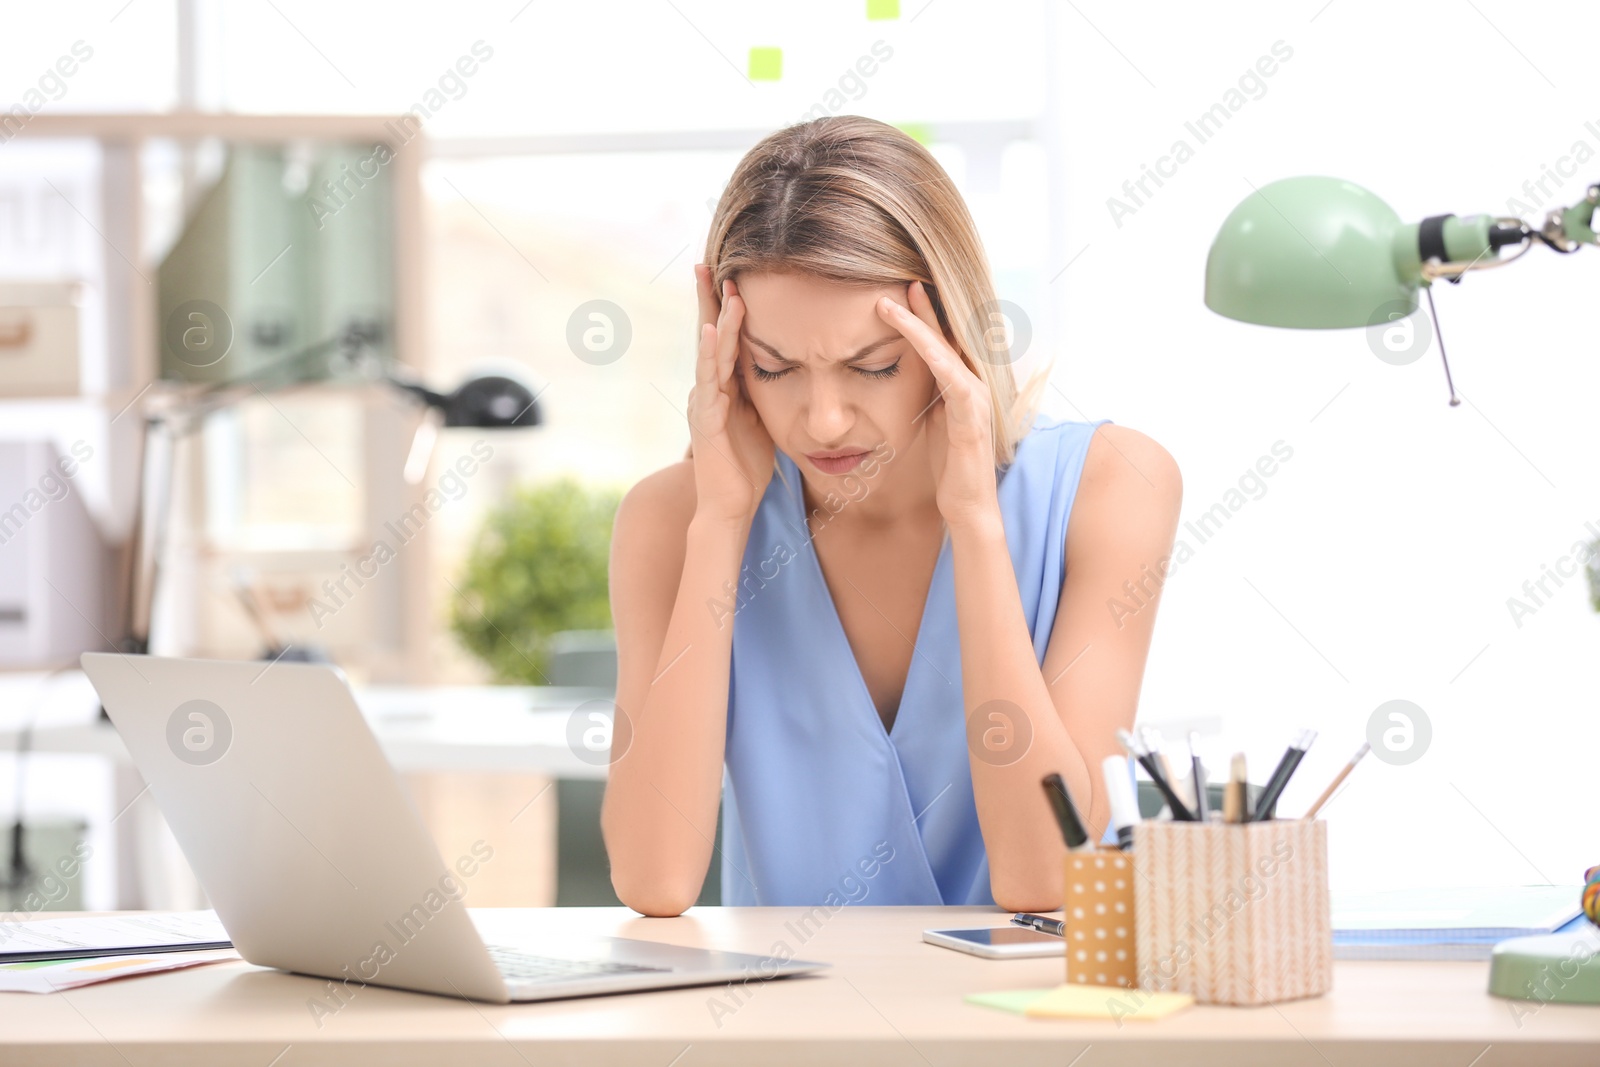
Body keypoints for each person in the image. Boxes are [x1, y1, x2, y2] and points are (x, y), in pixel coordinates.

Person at [602, 115, 1181, 916]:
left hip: (1034, 1030)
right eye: (774, 369)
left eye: (872, 367)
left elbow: (1049, 878)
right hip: (792, 1032)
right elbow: (653, 878)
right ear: (727, 355)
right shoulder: (672, 523)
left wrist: (976, 522)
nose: (823, 420)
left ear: (952, 334)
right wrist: (721, 520)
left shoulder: (1112, 486)